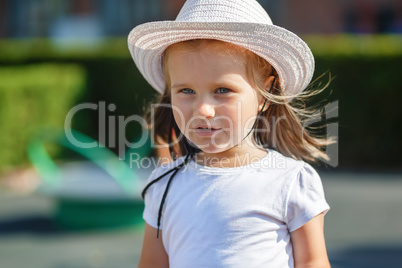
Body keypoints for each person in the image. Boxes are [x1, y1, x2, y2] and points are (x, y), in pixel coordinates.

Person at [128, 0, 332, 267]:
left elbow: (313, 262)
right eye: (186, 91)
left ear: (264, 95)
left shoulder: (290, 181)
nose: (203, 110)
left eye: (222, 90)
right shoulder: (164, 184)